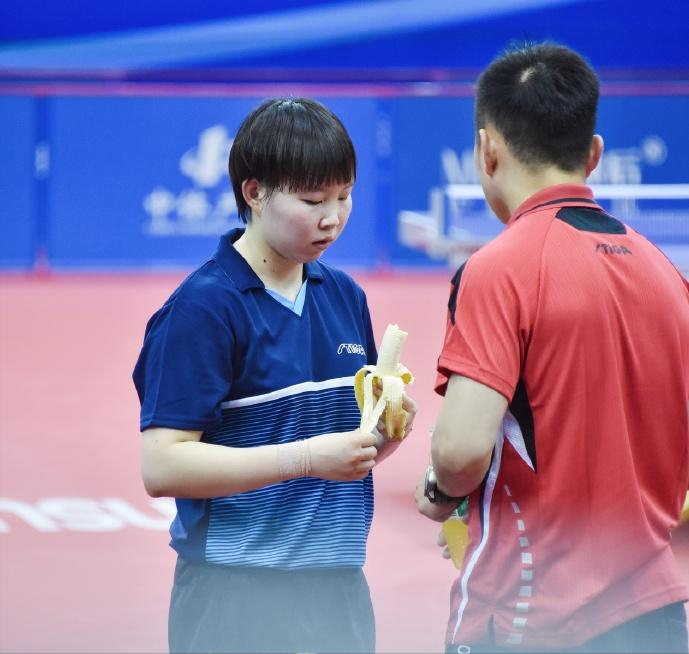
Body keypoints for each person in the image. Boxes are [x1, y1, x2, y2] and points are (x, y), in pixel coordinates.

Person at [415, 42, 689, 654]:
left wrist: (440, 492)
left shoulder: (496, 270)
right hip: (659, 617)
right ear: (594, 154)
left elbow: (460, 451)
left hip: (530, 617)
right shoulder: (668, 276)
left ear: (486, 150)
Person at [133, 97, 416, 654]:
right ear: (254, 192)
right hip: (234, 595)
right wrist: (307, 458)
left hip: (337, 590)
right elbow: (163, 465)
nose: (332, 217)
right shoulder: (202, 309)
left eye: (344, 195)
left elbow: (346, 450)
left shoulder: (344, 296)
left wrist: (384, 431)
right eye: (312, 200)